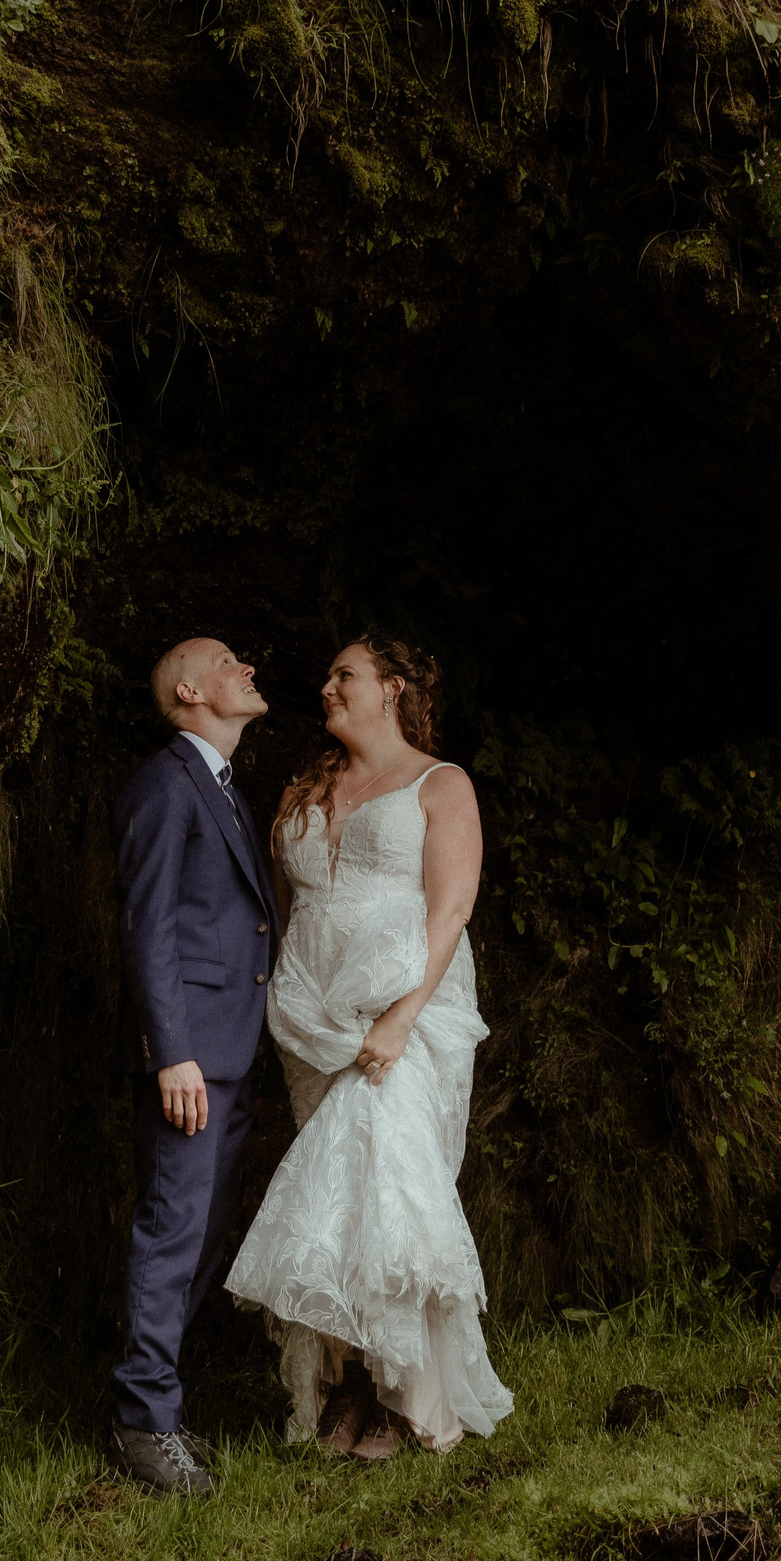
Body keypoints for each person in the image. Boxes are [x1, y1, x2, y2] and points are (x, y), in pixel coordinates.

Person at [224, 633, 514, 1458]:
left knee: (390, 1187)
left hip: (406, 1015)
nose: (326, 686)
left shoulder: (440, 783)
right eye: (326, 675)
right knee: (337, 1201)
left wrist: (400, 1016)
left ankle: (404, 1396)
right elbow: (281, 912)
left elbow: (450, 910)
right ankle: (352, 1386)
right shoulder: (303, 789)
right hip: (312, 1019)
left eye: (343, 674)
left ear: (390, 688)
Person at [105, 637, 276, 1496]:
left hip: (229, 1053)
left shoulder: (223, 791)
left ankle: (158, 1403)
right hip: (190, 1059)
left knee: (203, 1235)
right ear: (188, 688)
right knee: (174, 1230)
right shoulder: (165, 785)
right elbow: (148, 927)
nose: (247, 667)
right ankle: (142, 1422)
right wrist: (171, 1053)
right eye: (228, 660)